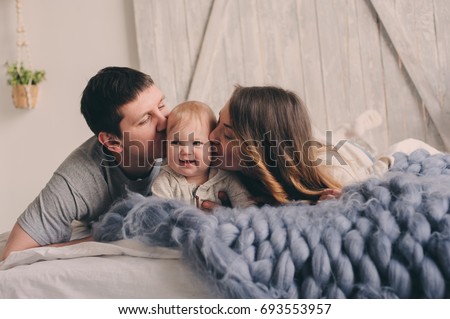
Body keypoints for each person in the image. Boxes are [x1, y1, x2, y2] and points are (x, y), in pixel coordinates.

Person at [1, 66, 170, 260]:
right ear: (113, 142)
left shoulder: (186, 134)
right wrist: (101, 238)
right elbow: (14, 254)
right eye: (145, 119)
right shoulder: (80, 175)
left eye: (161, 105)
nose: (164, 122)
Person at [208, 85, 441, 206]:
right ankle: (348, 131)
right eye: (218, 121)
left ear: (260, 150)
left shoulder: (329, 171)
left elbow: (372, 190)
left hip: (363, 161)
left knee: (353, 153)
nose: (211, 136)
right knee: (324, 137)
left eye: (227, 135)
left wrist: (349, 197)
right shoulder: (237, 168)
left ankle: (352, 131)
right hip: (307, 144)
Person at [151, 101, 254, 208]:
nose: (185, 151)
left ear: (211, 147)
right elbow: (158, 216)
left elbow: (248, 211)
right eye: (176, 143)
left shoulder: (226, 178)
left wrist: (228, 217)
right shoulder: (164, 182)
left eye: (196, 143)